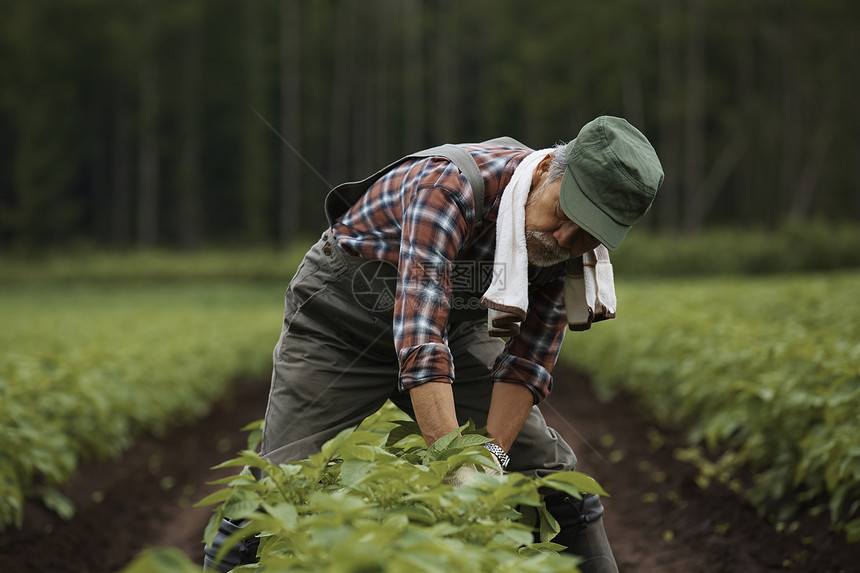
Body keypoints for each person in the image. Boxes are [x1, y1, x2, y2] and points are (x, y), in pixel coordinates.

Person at [206, 116, 663, 573]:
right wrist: (454, 464)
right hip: (339, 326)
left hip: (452, 330)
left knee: (550, 475)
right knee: (281, 481)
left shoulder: (566, 253)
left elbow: (527, 364)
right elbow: (420, 340)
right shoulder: (451, 186)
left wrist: (489, 461)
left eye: (585, 233)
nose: (563, 238)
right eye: (562, 215)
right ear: (545, 172)